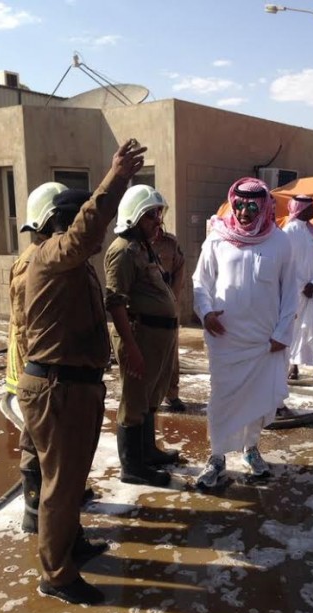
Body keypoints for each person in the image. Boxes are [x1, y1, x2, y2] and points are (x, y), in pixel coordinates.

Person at [17, 139, 147, 605]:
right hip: (57, 388)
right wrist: (116, 179)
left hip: (73, 386)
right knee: (60, 486)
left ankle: (70, 545)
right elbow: (88, 227)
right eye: (77, 222)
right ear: (57, 224)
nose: (92, 234)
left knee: (70, 481)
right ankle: (56, 575)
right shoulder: (53, 254)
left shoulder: (74, 266)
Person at [192, 176, 297, 488]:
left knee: (257, 398)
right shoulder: (217, 238)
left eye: (252, 205)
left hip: (265, 341)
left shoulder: (280, 242)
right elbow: (201, 282)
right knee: (222, 399)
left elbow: (289, 292)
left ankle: (251, 449)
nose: (244, 210)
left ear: (264, 206)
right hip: (225, 339)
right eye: (239, 204)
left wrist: (282, 332)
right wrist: (206, 311)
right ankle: (217, 457)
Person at [105, 185, 180, 489]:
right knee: (135, 400)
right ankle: (133, 467)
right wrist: (131, 347)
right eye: (151, 216)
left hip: (159, 338)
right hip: (140, 336)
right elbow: (115, 302)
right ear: (134, 217)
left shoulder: (144, 247)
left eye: (158, 214)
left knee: (151, 397)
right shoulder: (122, 251)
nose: (157, 222)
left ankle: (147, 452)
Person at [6, 181, 67, 534]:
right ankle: (35, 507)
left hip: (38, 366)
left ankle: (45, 500)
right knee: (37, 439)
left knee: (45, 438)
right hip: (37, 369)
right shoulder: (35, 264)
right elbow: (29, 325)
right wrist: (43, 372)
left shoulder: (45, 257)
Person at [282, 194, 313, 382]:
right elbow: (287, 264)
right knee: (295, 328)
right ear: (302, 209)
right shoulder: (287, 232)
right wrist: (303, 285)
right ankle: (293, 365)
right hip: (296, 290)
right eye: (311, 208)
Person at [152, 222, 187, 412]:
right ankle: (150, 395)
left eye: (158, 213)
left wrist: (172, 299)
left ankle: (172, 394)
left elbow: (180, 270)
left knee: (171, 353)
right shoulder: (133, 244)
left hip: (169, 306)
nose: (155, 219)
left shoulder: (170, 243)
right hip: (145, 307)